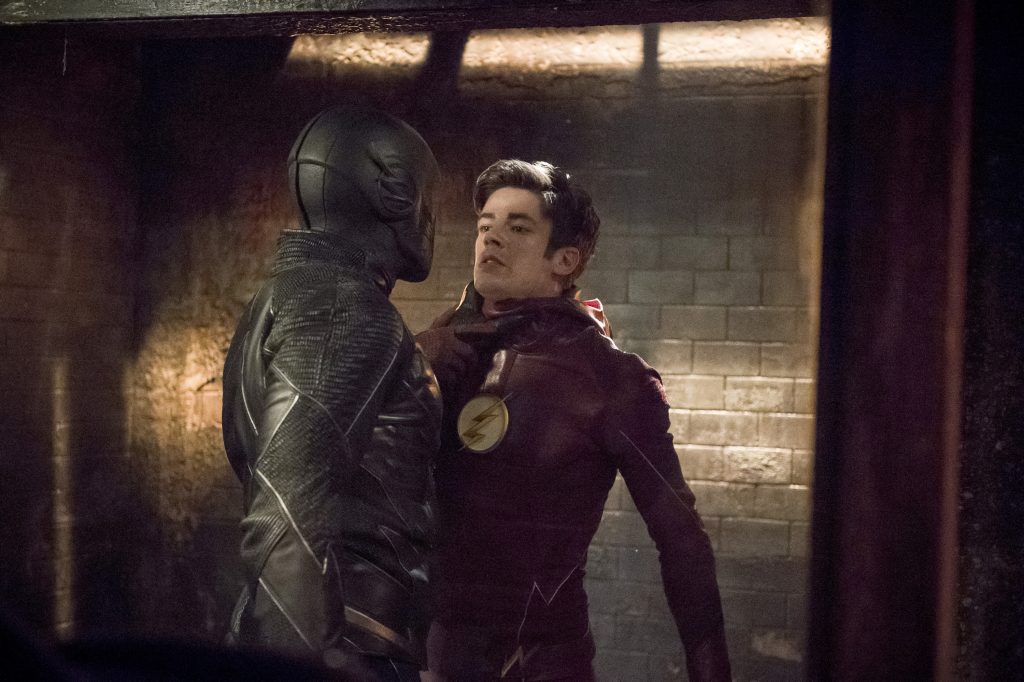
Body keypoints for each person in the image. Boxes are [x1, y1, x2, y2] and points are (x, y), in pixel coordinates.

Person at [416, 160, 731, 681]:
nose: (491, 237)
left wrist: (713, 673)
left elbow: (682, 540)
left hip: (541, 663)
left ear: (565, 259)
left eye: (518, 227)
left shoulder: (611, 378)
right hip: (432, 657)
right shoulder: (439, 345)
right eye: (485, 225)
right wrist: (412, 362)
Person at [221, 105, 441, 682]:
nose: (433, 218)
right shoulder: (346, 307)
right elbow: (286, 515)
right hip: (346, 651)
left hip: (339, 642)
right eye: (430, 195)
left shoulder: (296, 292)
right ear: (393, 194)